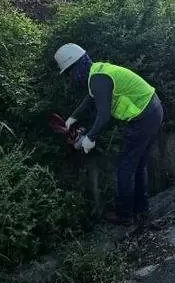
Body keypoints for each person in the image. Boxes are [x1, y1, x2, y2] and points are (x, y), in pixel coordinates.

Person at [54, 43, 163, 226]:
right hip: (152, 110)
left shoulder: (98, 79)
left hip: (145, 117)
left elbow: (103, 116)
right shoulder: (97, 72)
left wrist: (89, 138)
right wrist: (71, 119)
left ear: (76, 67)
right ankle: (141, 211)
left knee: (125, 167)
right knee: (137, 164)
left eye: (69, 72)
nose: (70, 77)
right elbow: (89, 99)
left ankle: (125, 215)